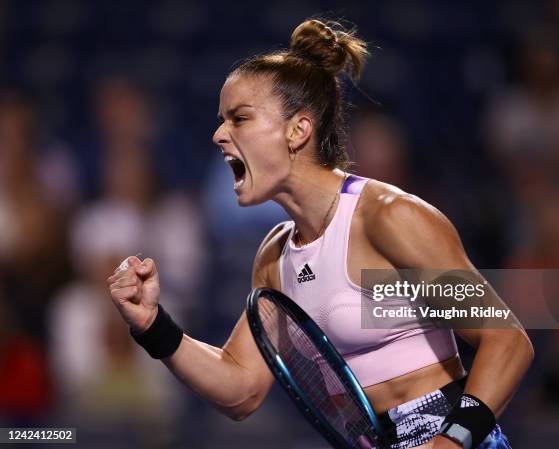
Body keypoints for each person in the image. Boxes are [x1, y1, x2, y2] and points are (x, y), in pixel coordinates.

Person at [107, 19, 533, 449]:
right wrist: (152, 326)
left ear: (298, 130)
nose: (219, 134)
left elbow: (506, 340)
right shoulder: (274, 259)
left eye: (239, 118)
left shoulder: (388, 218)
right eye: (222, 121)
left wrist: (450, 443)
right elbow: (241, 390)